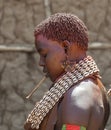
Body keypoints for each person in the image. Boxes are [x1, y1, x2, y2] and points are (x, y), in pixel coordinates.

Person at [24, 13, 110, 130]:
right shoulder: (87, 87)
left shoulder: (76, 98)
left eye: (44, 55)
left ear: (66, 47)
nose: (41, 62)